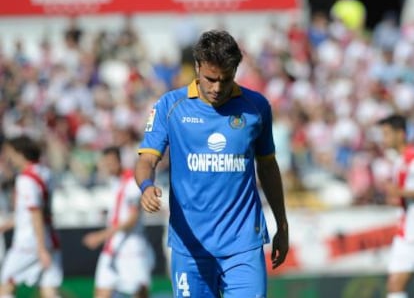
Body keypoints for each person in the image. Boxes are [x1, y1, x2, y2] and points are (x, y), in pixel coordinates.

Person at [135, 29, 289, 297]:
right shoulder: (170, 106)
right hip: (190, 245)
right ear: (196, 68)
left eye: (226, 79)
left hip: (243, 244)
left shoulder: (256, 107)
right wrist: (146, 185)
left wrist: (282, 225)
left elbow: (268, 166)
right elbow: (147, 158)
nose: (217, 88)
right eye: (210, 79)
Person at [83, 146, 153, 298]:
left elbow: (131, 220)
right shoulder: (114, 182)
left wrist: (101, 236)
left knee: (139, 291)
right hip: (112, 247)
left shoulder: (132, 183)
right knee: (102, 291)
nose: (108, 166)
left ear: (119, 161)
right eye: (105, 163)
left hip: (130, 246)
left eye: (111, 162)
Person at [0, 135, 62, 298]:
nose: (9, 159)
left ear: (20, 153)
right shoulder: (45, 172)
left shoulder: (25, 179)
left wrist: (40, 248)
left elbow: (35, 211)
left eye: (11, 154)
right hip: (50, 236)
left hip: (30, 242)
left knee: (5, 286)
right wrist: (8, 224)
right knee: (49, 290)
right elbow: (33, 212)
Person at [378, 114, 414, 298]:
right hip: (407, 231)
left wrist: (398, 192)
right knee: (394, 285)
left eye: (386, 134)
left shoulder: (412, 158)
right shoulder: (399, 161)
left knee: (395, 285)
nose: (383, 139)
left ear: (400, 134)